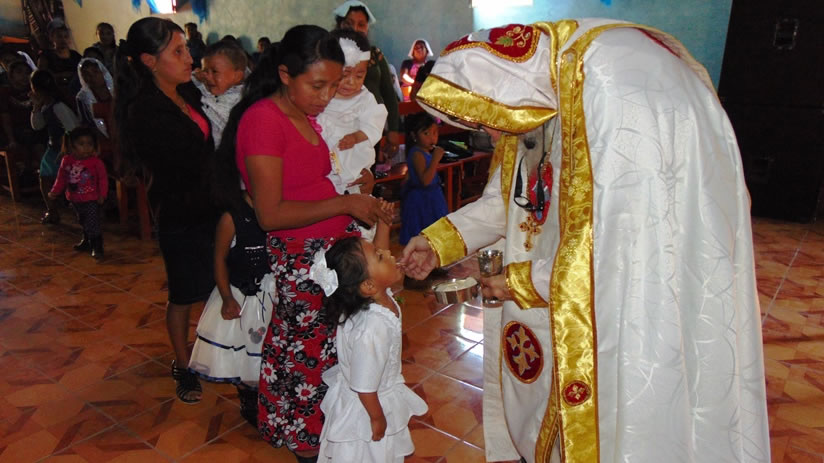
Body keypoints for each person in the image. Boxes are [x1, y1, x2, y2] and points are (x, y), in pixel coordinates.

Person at [401, 20, 770, 462]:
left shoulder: (611, 101)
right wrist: (436, 242)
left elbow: (621, 252)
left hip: (620, 316)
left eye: (486, 119)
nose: (493, 134)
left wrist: (522, 281)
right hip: (549, 305)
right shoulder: (535, 105)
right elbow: (507, 201)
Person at [216, 24, 392, 462]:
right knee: (306, 355)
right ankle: (307, 444)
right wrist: (344, 203)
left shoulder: (306, 115)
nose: (327, 95)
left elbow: (313, 180)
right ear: (285, 74)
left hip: (329, 251)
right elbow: (270, 213)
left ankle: (333, 433)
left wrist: (357, 187)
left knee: (332, 350)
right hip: (301, 257)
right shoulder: (264, 121)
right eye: (318, 85)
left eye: (334, 84)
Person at [114, 17, 218, 405]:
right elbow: (186, 166)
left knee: (218, 286)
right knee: (184, 291)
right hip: (181, 212)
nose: (190, 58)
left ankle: (218, 353)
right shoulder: (145, 111)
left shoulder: (186, 92)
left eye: (186, 49)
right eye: (178, 51)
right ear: (149, 61)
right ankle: (183, 363)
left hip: (211, 206)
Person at [312, 221, 427, 462]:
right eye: (380, 256)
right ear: (369, 285)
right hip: (367, 409)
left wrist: (383, 227)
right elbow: (365, 386)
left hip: (371, 398)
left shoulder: (377, 298)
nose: (387, 252)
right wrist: (377, 418)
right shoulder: (372, 329)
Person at [188, 193, 274, 427]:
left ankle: (268, 393)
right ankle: (249, 395)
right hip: (241, 295)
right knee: (243, 346)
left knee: (268, 346)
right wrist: (227, 297)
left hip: (271, 294)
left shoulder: (277, 207)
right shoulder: (232, 217)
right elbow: (219, 258)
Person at [316, 29, 387, 201]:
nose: (351, 82)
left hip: (353, 154)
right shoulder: (320, 97)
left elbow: (374, 124)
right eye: (345, 75)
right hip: (325, 160)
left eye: (359, 76)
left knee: (354, 192)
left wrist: (356, 137)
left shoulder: (364, 98)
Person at [333, 0, 401, 156]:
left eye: (361, 24)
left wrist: (393, 129)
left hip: (368, 125)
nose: (355, 29)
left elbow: (388, 93)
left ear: (367, 27)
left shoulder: (374, 54)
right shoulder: (330, 53)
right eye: (349, 23)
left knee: (366, 162)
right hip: (338, 123)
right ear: (339, 24)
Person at [47, 126, 107, 258]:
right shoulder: (67, 160)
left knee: (92, 221)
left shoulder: (96, 162)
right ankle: (86, 240)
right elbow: (61, 178)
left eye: (89, 144)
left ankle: (97, 246)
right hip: (75, 198)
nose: (86, 148)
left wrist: (102, 194)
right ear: (72, 145)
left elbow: (103, 179)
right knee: (82, 219)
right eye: (81, 144)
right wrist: (55, 191)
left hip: (91, 198)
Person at [30, 69, 79, 225]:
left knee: (71, 180)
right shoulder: (46, 106)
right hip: (53, 147)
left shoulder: (58, 106)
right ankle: (52, 210)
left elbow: (73, 128)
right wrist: (36, 107)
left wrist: (66, 149)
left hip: (66, 149)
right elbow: (37, 126)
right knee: (44, 177)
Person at [399, 112, 447, 245]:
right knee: (425, 235)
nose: (432, 138)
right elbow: (425, 181)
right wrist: (435, 159)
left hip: (433, 196)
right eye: (426, 133)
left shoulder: (425, 152)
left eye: (435, 133)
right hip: (423, 201)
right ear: (414, 136)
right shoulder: (417, 154)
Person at [193, 40, 247, 146]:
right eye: (205, 71)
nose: (207, 77)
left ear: (237, 76)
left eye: (214, 72)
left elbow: (216, 113)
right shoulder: (216, 89)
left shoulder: (239, 99)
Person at [37, 19, 82, 99]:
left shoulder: (76, 55)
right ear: (51, 38)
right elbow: (42, 77)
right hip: (56, 95)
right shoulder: (46, 56)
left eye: (66, 37)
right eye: (59, 36)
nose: (63, 40)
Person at [75, 58, 112, 138]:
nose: (92, 76)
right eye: (86, 74)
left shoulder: (116, 90)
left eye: (95, 72)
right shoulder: (83, 97)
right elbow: (87, 123)